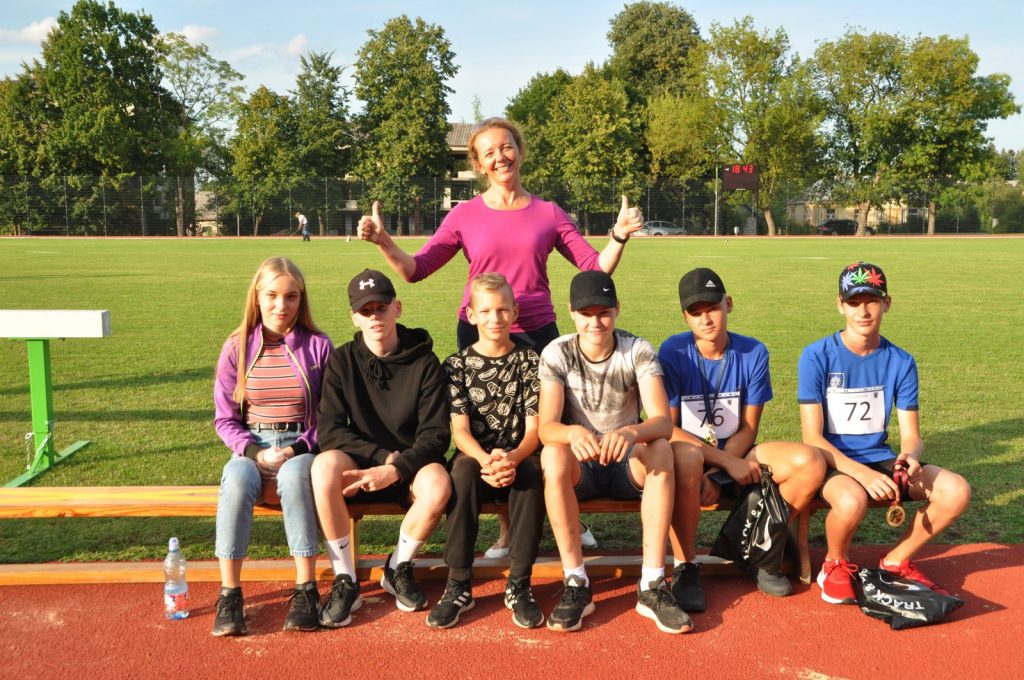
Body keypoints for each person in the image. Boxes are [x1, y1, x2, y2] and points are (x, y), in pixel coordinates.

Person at [358, 117, 628, 552]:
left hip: (538, 334)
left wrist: (619, 235)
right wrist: (383, 242)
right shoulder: (464, 215)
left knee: (550, 426)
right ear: (479, 164)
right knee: (493, 432)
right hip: (479, 335)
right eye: (489, 152)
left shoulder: (548, 212)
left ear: (519, 151)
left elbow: (594, 267)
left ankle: (567, 513)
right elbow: (416, 269)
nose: (500, 157)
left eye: (506, 147)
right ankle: (507, 529)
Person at [798, 262, 971, 604]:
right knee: (853, 499)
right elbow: (812, 438)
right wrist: (861, 474)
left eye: (872, 301)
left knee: (956, 490)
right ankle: (834, 564)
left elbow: (911, 435)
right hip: (832, 462)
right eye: (853, 302)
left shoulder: (901, 361)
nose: (863, 312)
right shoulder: (816, 356)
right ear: (840, 305)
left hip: (881, 460)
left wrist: (911, 456)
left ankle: (896, 560)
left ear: (887, 303)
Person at [659, 268, 827, 610]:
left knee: (811, 462)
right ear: (685, 317)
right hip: (690, 457)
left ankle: (760, 552)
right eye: (695, 311)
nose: (706, 318)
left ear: (729, 304)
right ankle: (686, 566)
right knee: (687, 459)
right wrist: (720, 465)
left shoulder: (753, 352)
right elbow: (668, 428)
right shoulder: (673, 352)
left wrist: (721, 472)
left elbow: (749, 428)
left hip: (740, 453)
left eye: (713, 307)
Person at [538, 271, 691, 635]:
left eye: (604, 312)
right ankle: (576, 581)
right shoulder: (557, 351)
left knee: (660, 451)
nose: (595, 322)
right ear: (571, 313)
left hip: (626, 462)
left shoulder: (637, 349)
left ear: (617, 309)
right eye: (586, 314)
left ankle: (652, 583)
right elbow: (546, 427)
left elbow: (662, 422)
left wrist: (630, 431)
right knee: (552, 455)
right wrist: (572, 432)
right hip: (583, 465)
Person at [312, 269, 452, 627]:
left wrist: (396, 468)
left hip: (410, 467)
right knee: (323, 466)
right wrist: (379, 459)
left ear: (397, 308)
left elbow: (436, 436)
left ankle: (397, 566)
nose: (375, 316)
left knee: (439, 483)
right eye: (366, 310)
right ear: (354, 317)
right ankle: (346, 580)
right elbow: (329, 431)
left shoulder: (425, 362)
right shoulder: (342, 361)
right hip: (361, 466)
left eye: (382, 307)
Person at [211, 256, 333, 636]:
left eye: (291, 296)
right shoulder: (237, 346)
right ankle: (230, 594)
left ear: (302, 299)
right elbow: (225, 418)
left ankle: (306, 590)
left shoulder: (318, 346)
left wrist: (295, 450)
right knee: (235, 479)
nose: (282, 305)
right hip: (252, 447)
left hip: (302, 447)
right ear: (257, 297)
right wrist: (255, 453)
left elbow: (330, 418)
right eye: (272, 295)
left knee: (295, 477)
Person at [428, 272, 545, 629]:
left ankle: (519, 583)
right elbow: (460, 432)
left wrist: (513, 457)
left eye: (503, 310)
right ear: (471, 315)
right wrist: (484, 460)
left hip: (518, 455)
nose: (495, 318)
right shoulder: (457, 365)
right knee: (461, 471)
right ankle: (458, 582)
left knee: (532, 472)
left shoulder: (530, 361)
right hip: (476, 457)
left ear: (515, 312)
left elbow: (534, 429)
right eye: (486, 311)